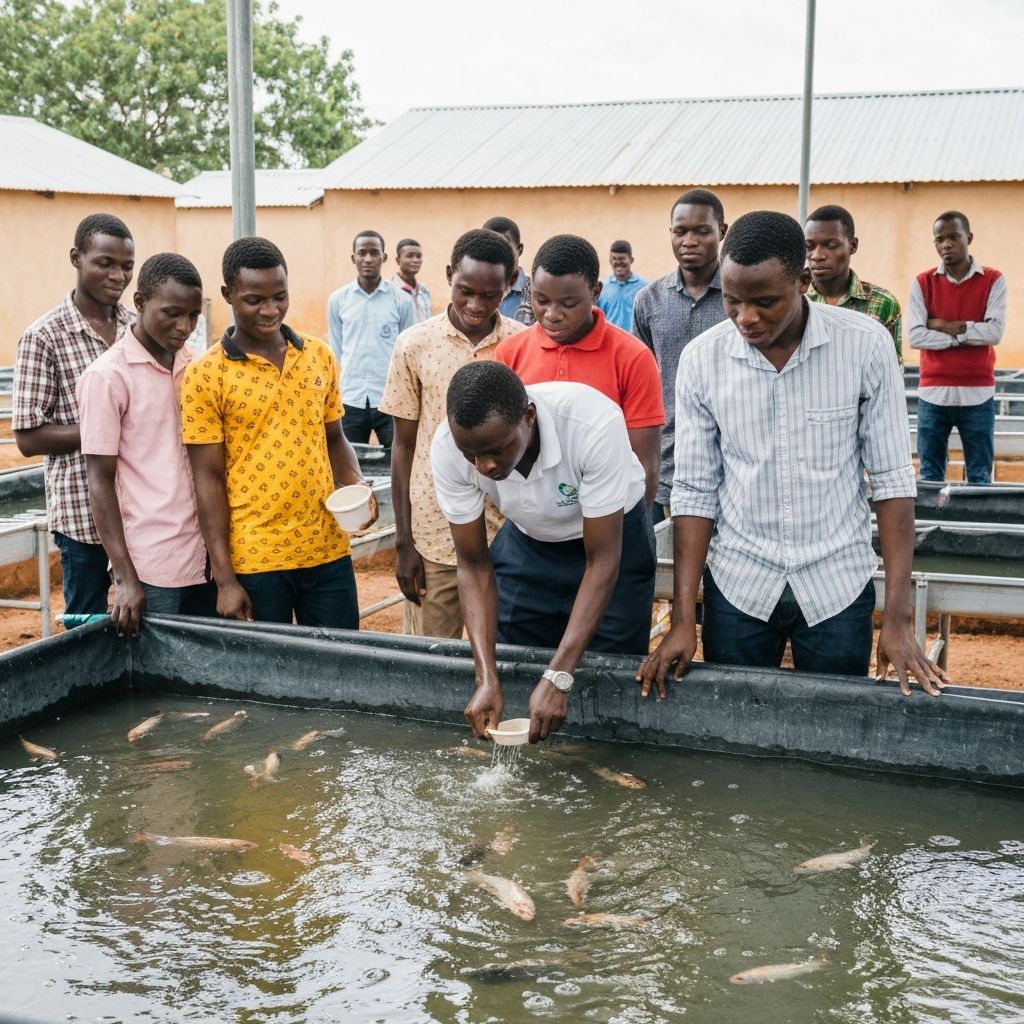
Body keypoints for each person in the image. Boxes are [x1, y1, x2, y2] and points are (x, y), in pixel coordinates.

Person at [636, 211, 948, 700]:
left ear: (803, 282)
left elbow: (891, 481)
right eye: (733, 301)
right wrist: (682, 619)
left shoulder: (864, 346)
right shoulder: (702, 359)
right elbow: (695, 492)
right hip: (739, 584)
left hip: (835, 585)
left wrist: (898, 616)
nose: (746, 318)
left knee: (835, 723)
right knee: (734, 726)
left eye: (765, 302)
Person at [432, 361, 656, 743]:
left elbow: (603, 561)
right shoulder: (450, 447)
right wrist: (486, 677)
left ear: (529, 417)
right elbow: (473, 565)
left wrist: (559, 676)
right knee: (515, 658)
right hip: (528, 539)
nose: (484, 466)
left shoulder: (592, 425)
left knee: (607, 670)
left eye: (496, 450)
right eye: (471, 455)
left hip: (611, 541)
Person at [182, 236, 376, 628]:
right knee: (269, 665)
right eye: (254, 300)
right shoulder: (206, 375)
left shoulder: (318, 356)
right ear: (228, 295)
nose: (270, 310)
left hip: (327, 548)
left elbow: (334, 439)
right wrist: (225, 579)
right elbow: (208, 479)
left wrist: (357, 484)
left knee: (342, 657)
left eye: (280, 297)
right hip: (257, 559)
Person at [380, 228, 524, 638]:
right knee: (432, 657)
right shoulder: (414, 345)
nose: (476, 305)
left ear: (510, 284)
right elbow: (403, 445)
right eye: (466, 292)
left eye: (490, 295)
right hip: (434, 536)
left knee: (505, 652)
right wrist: (403, 542)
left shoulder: (523, 345)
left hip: (509, 532)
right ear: (448, 275)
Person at [79, 253, 216, 636]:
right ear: (139, 302)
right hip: (153, 567)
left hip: (207, 559)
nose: (184, 326)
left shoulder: (197, 367)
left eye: (193, 315)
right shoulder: (107, 377)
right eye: (172, 313)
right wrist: (125, 577)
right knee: (159, 669)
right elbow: (99, 481)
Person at [12, 213, 136, 621]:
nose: (118, 276)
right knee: (86, 624)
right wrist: (104, 429)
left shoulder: (136, 329)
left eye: (127, 266)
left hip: (139, 512)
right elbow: (28, 436)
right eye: (105, 263)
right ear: (76, 258)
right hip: (82, 517)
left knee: (144, 621)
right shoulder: (44, 336)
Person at [495, 234, 664, 507]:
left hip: (610, 513)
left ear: (596, 292)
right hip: (534, 518)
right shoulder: (510, 354)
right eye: (541, 300)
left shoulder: (634, 358)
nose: (552, 314)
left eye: (568, 304)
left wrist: (631, 524)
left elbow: (645, 464)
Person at [632, 189, 729, 522]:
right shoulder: (649, 300)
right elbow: (639, 384)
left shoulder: (739, 299)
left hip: (730, 460)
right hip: (665, 462)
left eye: (701, 231)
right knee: (662, 551)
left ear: (722, 231)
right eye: (680, 231)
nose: (689, 241)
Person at [908, 211, 1007, 484]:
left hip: (978, 393)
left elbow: (994, 332)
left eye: (953, 237)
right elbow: (916, 337)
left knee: (980, 476)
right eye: (939, 239)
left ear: (969, 238)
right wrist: (967, 332)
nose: (946, 244)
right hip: (933, 394)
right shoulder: (922, 282)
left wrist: (942, 326)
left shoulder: (993, 280)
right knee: (930, 476)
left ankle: (976, 516)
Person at [326, 230, 416, 450]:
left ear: (383, 257)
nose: (368, 259)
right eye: (362, 253)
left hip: (390, 398)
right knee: (349, 461)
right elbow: (337, 349)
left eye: (374, 253)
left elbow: (409, 349)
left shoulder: (401, 300)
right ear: (353, 258)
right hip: (351, 398)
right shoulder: (338, 300)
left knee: (397, 459)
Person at [805, 204, 903, 360]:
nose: (817, 255)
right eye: (809, 246)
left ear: (853, 246)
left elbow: (892, 367)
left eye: (830, 246)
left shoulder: (883, 303)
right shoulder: (796, 301)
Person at [482, 216, 535, 325]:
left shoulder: (536, 294)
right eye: (490, 249)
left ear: (519, 250)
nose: (497, 255)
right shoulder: (473, 292)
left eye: (505, 248)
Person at [596, 240, 648, 330]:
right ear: (610, 261)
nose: (618, 262)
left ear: (631, 260)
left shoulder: (644, 288)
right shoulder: (601, 288)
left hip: (634, 338)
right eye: (614, 259)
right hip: (609, 337)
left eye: (622, 259)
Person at [391, 238, 431, 321]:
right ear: (398, 260)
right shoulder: (391, 290)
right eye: (409, 256)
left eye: (419, 256)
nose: (416, 260)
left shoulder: (423, 290)